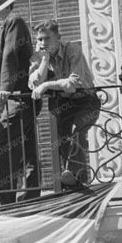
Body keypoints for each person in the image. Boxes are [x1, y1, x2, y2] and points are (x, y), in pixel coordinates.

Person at [28, 20, 100, 189]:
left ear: (58, 38)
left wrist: (47, 85)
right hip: (64, 104)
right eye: (39, 40)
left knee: (77, 133)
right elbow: (33, 84)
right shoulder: (38, 56)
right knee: (61, 140)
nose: (42, 43)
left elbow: (74, 83)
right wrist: (44, 61)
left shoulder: (72, 50)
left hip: (86, 100)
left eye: (47, 38)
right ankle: (71, 180)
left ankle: (76, 176)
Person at [0, 3, 39, 204]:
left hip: (17, 98)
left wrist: (5, 87)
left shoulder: (13, 21)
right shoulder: (6, 26)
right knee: (27, 150)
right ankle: (30, 199)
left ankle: (5, 205)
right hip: (21, 98)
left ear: (4, 6)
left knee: (0, 151)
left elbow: (10, 55)